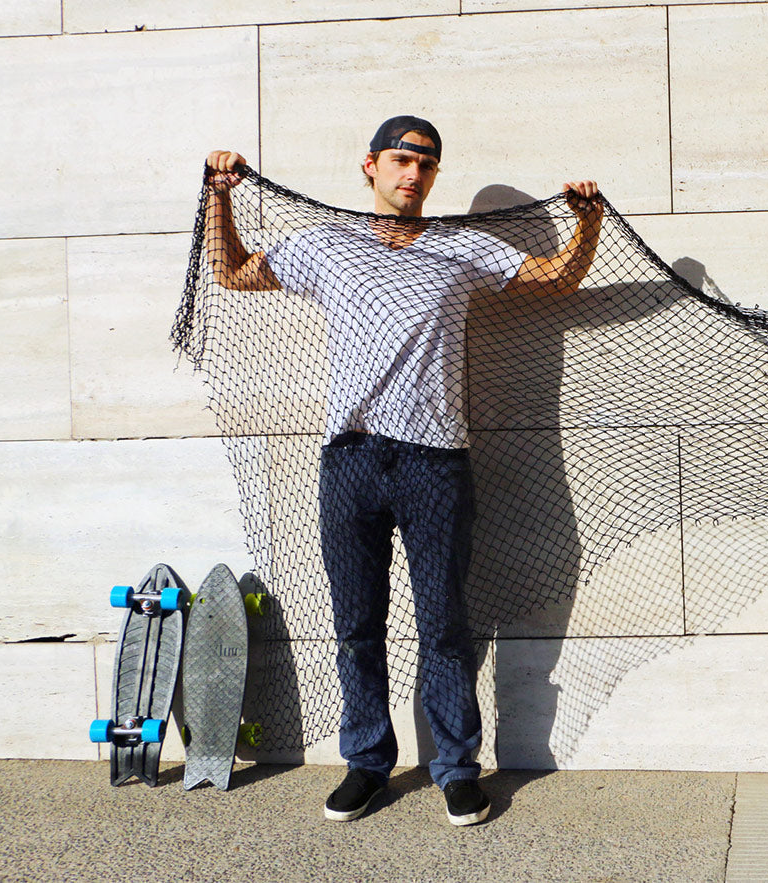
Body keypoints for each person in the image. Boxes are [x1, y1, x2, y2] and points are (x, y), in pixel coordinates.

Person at [204, 115, 603, 826]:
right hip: (351, 459)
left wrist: (587, 220)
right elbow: (232, 271)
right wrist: (218, 193)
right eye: (401, 158)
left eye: (427, 163)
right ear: (371, 165)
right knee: (356, 624)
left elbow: (561, 278)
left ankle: (456, 769)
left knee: (445, 626)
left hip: (436, 462)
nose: (413, 172)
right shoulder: (325, 245)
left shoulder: (463, 247)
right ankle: (366, 762)